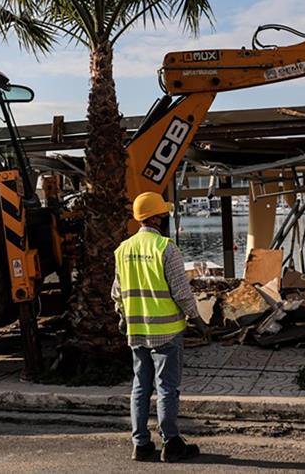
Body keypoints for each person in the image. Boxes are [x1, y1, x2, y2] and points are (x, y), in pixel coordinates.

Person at [112, 192, 208, 463]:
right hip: (166, 332)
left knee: (140, 387)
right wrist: (198, 321)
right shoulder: (166, 248)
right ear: (156, 218)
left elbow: (117, 293)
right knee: (166, 387)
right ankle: (171, 443)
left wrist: (122, 317)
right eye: (164, 214)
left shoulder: (123, 249)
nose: (167, 218)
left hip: (137, 331)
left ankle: (140, 444)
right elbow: (182, 293)